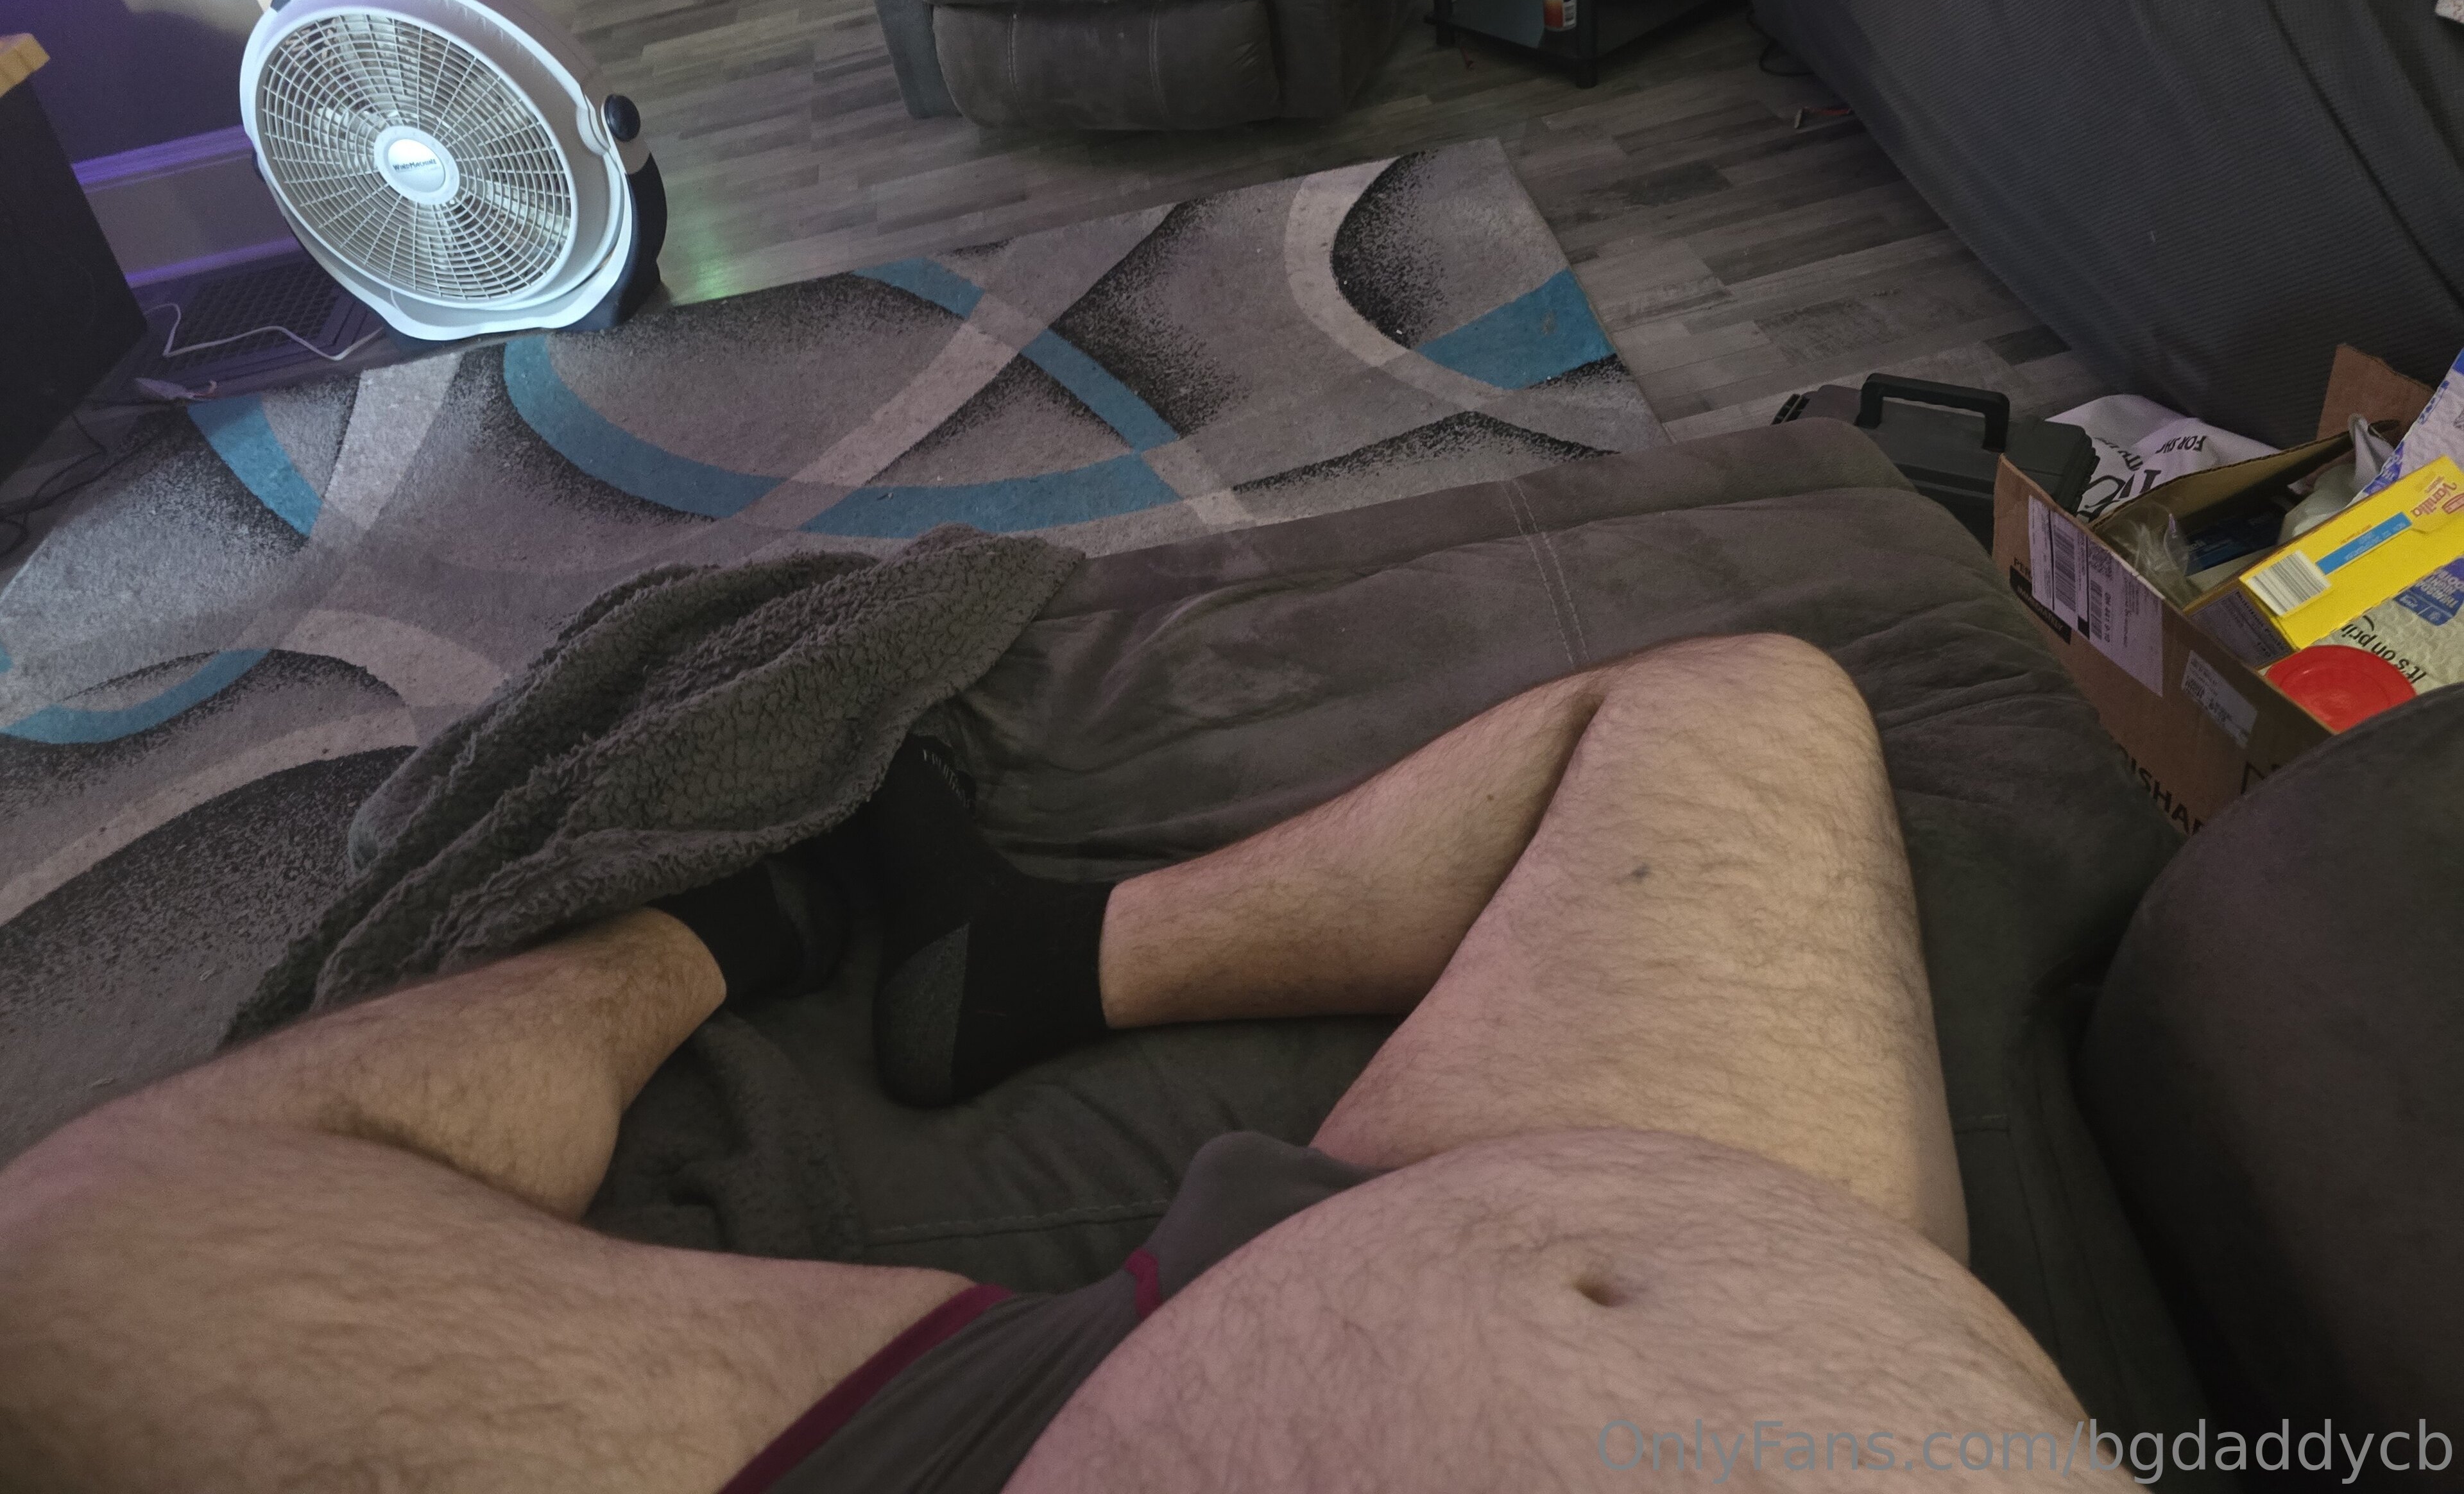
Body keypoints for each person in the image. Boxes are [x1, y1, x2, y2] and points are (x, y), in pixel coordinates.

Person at [0, 633, 2084, 1493]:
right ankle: (976, 958)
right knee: (1744, 703)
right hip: (1654, 1226)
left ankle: (736, 937)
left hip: (1014, 1450)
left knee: (87, 1259)